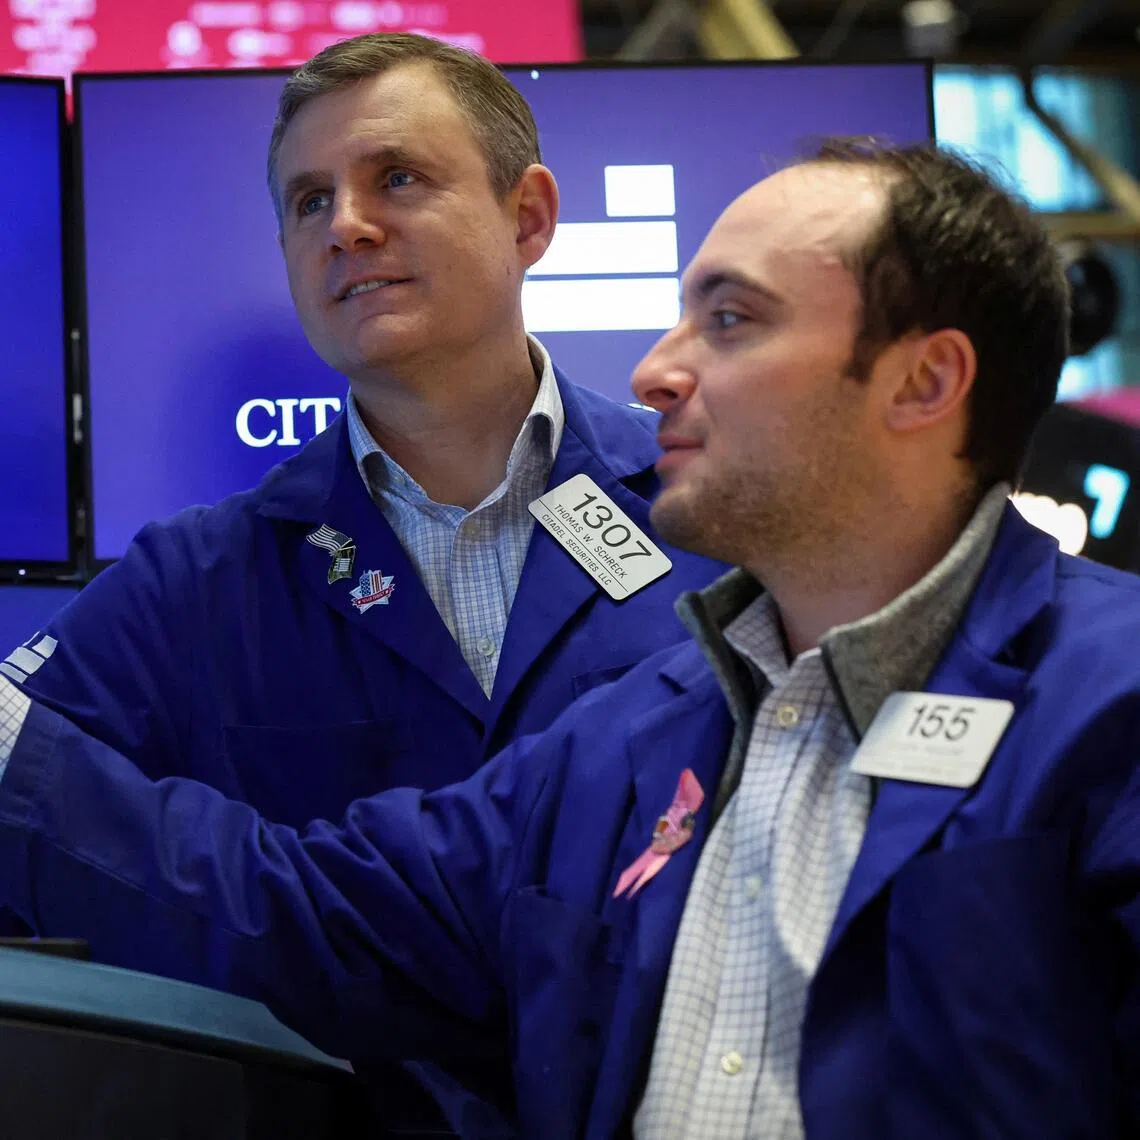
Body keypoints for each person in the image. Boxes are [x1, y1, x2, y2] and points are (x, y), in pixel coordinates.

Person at [3, 139, 1138, 1139]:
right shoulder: (636, 741)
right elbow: (305, 913)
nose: (655, 372)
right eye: (306, 198)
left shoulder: (1109, 703)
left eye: (731, 321)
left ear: (924, 380)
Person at [0, 33, 723, 1133]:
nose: (345, 224)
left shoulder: (712, 516)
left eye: (397, 178)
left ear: (528, 216)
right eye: (307, 200)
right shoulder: (199, 580)